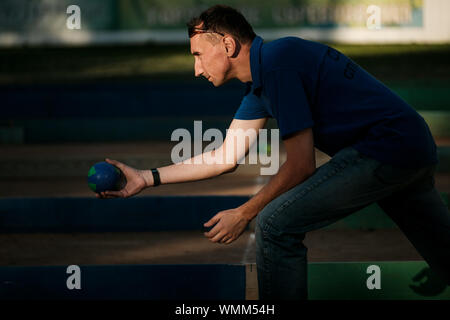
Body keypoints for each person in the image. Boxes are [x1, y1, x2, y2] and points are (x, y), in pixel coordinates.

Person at [97, 5, 450, 299]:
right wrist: (145, 177)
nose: (196, 69)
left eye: (198, 55)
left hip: (385, 148)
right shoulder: (263, 80)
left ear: (228, 45)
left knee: (275, 224)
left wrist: (245, 212)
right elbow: (225, 156)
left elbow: (300, 166)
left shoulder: (279, 64)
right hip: (410, 144)